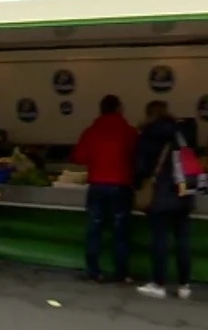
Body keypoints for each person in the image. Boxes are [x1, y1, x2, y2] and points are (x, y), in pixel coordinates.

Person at [72, 95, 138, 283]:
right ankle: (122, 272)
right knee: (121, 231)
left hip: (97, 186)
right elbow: (138, 157)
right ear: (118, 109)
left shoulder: (91, 131)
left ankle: (94, 271)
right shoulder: (129, 132)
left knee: (94, 229)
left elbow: (79, 157)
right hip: (121, 186)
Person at [134, 100, 194, 300]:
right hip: (183, 191)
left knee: (160, 240)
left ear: (149, 114)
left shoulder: (147, 136)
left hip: (160, 193)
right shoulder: (181, 133)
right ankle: (184, 285)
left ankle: (159, 284)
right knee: (182, 240)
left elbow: (141, 168)